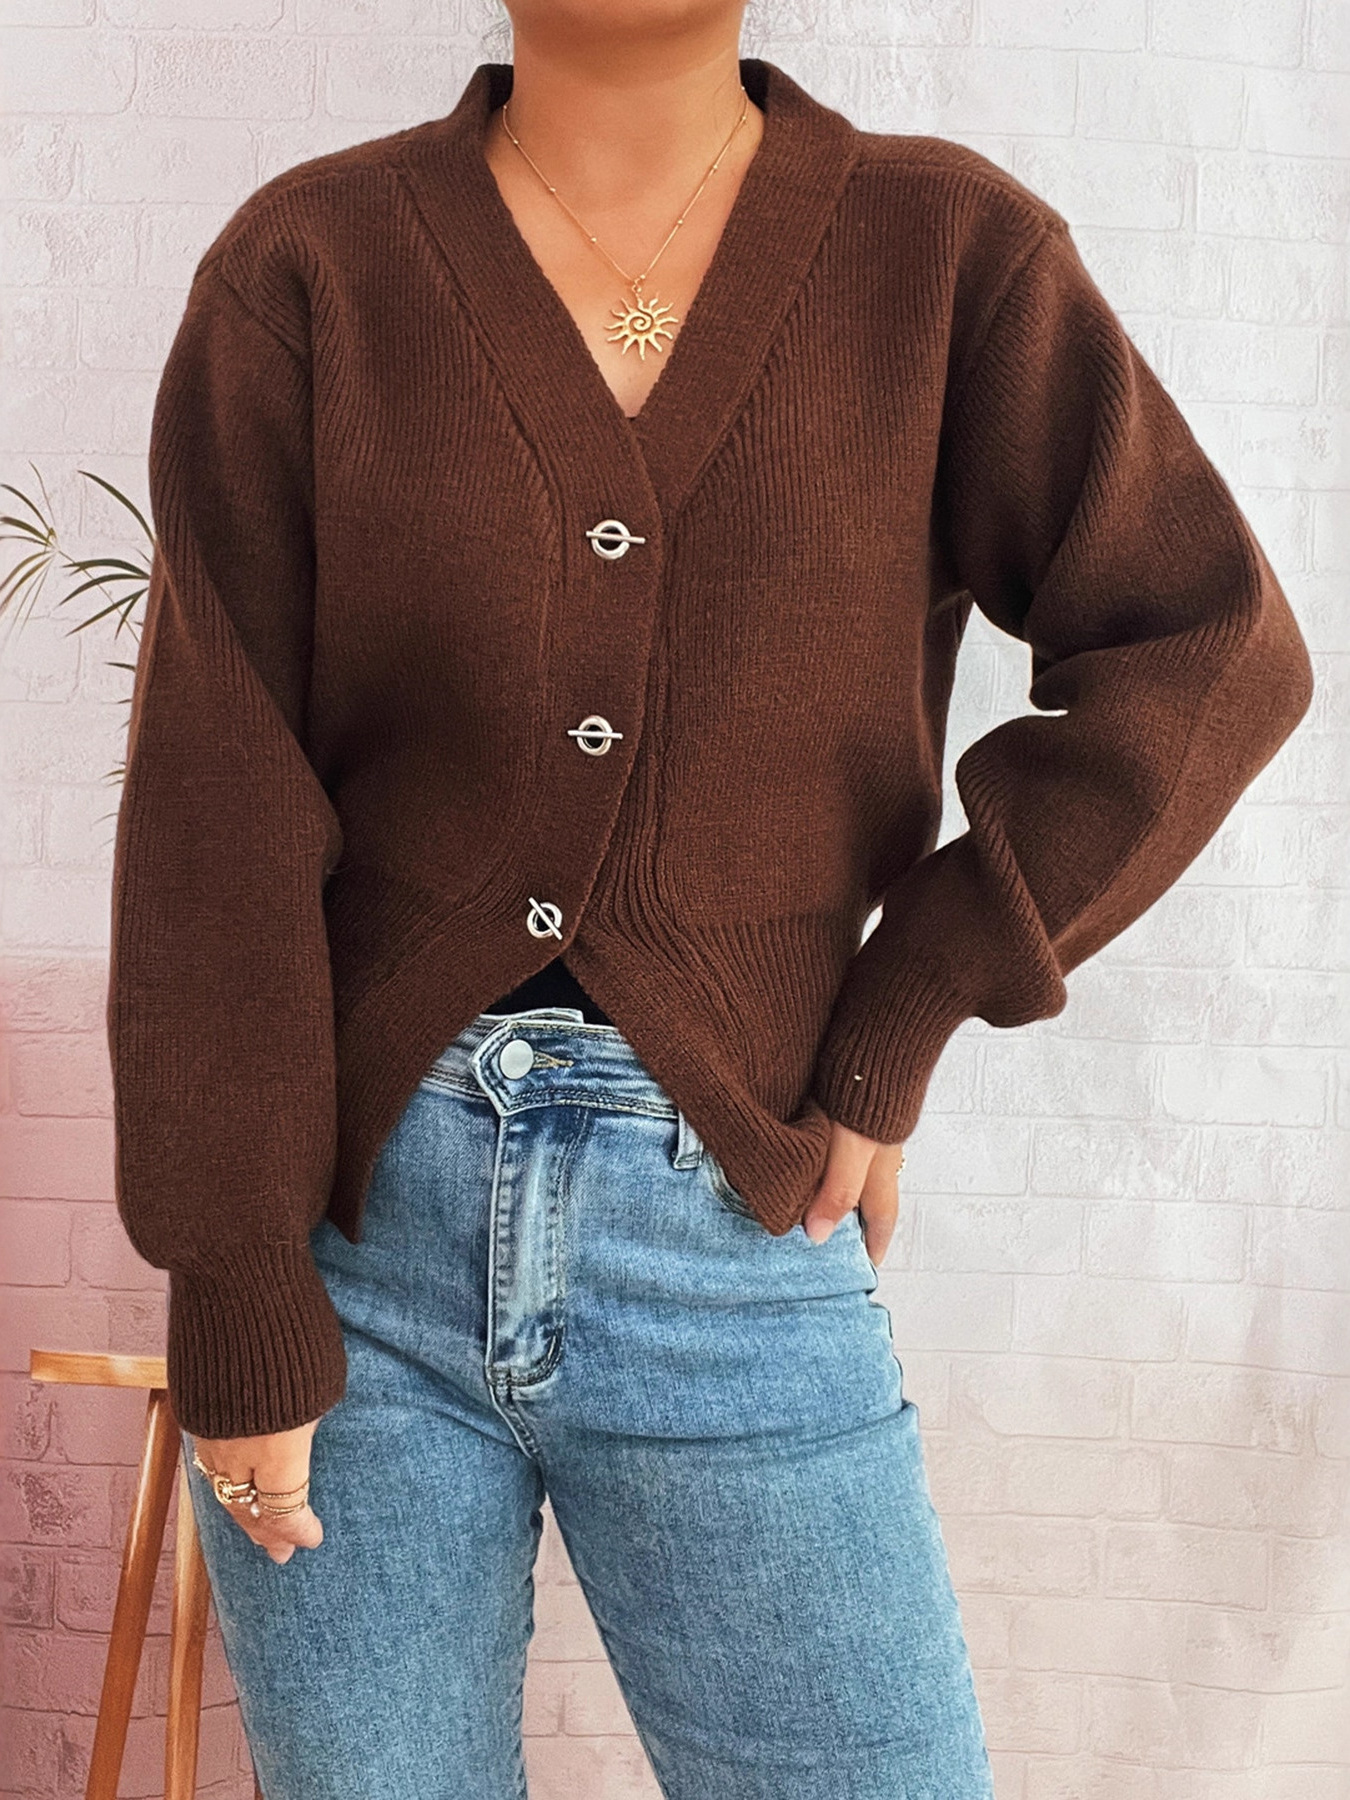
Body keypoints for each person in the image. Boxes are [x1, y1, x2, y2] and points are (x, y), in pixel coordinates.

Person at [105, 1, 1314, 1795]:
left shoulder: (947, 254)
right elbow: (218, 805)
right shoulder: (311, 268)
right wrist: (236, 1286)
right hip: (353, 1246)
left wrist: (910, 998)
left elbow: (1207, 653)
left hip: (735, 1218)